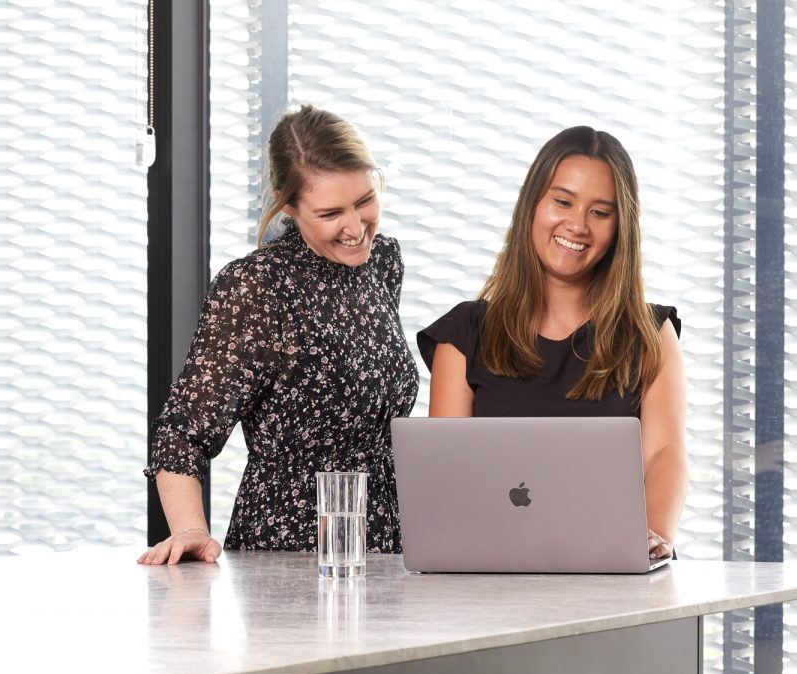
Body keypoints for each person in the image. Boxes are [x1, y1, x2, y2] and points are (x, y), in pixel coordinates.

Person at [140, 106, 417, 565]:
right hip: (289, 545)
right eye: (330, 213)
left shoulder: (382, 261)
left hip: (386, 535)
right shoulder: (256, 286)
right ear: (286, 204)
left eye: (365, 201)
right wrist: (190, 530)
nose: (355, 228)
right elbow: (183, 432)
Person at [417, 126, 687, 558]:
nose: (577, 225)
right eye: (563, 201)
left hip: (615, 575)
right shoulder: (464, 335)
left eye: (601, 212)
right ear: (532, 206)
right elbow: (449, 478)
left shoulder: (650, 333)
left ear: (621, 227)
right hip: (487, 575)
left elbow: (664, 453)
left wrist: (651, 541)